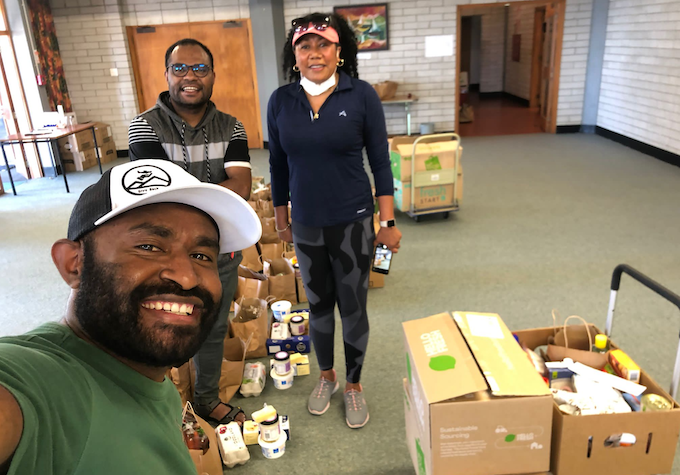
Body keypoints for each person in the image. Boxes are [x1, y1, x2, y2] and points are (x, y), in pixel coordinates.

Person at [0, 159, 262, 475]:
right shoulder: (40, 384)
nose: (187, 277)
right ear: (74, 264)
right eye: (149, 246)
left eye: (201, 255)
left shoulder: (147, 376)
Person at [267, 12, 402, 429]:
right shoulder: (281, 101)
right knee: (319, 305)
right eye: (305, 46)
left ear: (339, 51)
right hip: (307, 222)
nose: (314, 53)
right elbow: (277, 165)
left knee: (354, 306)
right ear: (295, 55)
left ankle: (354, 384)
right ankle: (326, 375)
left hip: (353, 220)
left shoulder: (361, 95)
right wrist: (281, 217)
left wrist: (388, 221)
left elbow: (380, 161)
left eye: (323, 44)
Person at [127, 38, 252, 425]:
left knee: (211, 326)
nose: (190, 77)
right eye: (180, 68)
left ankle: (206, 397)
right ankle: (155, 408)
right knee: (157, 327)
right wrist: (213, 198)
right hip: (161, 255)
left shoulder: (232, 126)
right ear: (166, 75)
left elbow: (243, 186)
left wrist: (187, 200)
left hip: (219, 250)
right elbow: (158, 195)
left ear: (212, 75)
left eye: (199, 68)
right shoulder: (144, 125)